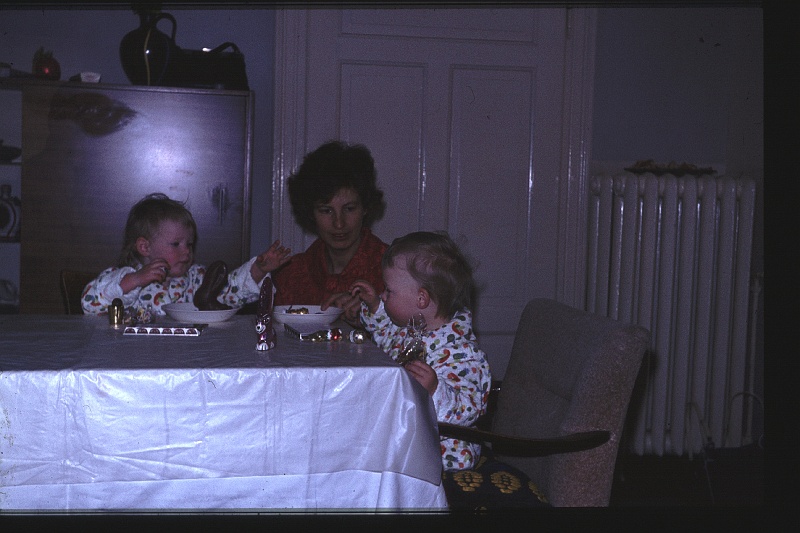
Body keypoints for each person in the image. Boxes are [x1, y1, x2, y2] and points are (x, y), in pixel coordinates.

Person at [350, 231, 492, 471]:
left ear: (421, 299)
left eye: (389, 290)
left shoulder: (463, 353)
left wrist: (436, 390)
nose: (383, 295)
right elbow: (387, 335)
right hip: (405, 434)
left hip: (444, 450)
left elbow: (469, 409)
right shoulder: (410, 330)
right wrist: (375, 306)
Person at [82, 193, 291, 315]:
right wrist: (134, 280)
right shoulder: (125, 279)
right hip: (138, 362)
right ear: (145, 247)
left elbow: (231, 292)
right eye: (176, 244)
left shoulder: (197, 278)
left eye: (189, 244)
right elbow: (90, 304)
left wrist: (257, 270)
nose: (186, 251)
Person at [273, 140, 388, 323]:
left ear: (365, 208)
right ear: (311, 213)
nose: (339, 223)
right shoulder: (291, 275)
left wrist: (375, 313)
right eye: (326, 211)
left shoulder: (396, 271)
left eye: (349, 209)